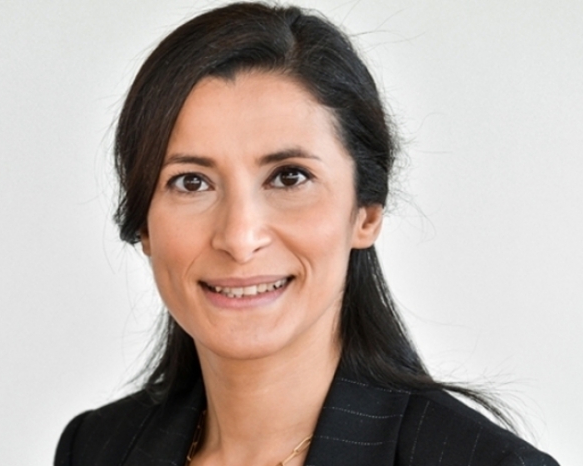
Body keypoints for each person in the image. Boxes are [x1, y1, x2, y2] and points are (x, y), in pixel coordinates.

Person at [54, 3, 558, 465]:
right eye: (191, 182)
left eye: (289, 177)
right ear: (143, 225)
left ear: (366, 213)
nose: (239, 237)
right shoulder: (95, 449)